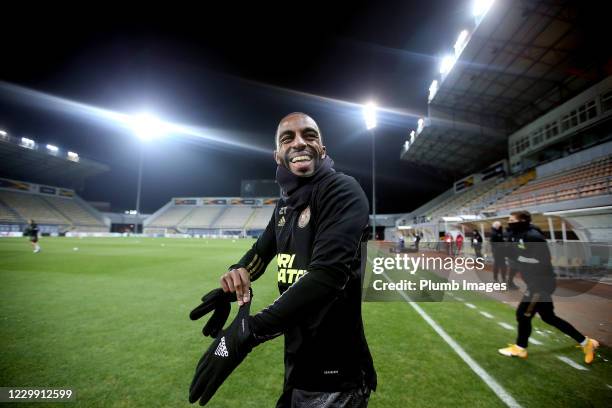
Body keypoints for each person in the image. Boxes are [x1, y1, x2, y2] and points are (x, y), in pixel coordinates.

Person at [190, 113, 376, 407]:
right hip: (298, 367)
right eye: (287, 138)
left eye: (309, 135)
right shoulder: (285, 206)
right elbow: (261, 252)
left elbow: (326, 277)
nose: (299, 142)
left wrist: (248, 332)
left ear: (322, 149)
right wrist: (236, 275)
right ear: (277, 155)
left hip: (336, 379)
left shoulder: (341, 191)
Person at [498, 210, 599, 363]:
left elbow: (544, 260)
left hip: (540, 284)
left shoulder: (534, 236)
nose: (509, 222)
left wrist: (516, 257)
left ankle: (520, 349)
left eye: (512, 220)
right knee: (548, 317)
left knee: (523, 315)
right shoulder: (520, 234)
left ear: (523, 221)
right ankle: (587, 343)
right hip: (536, 282)